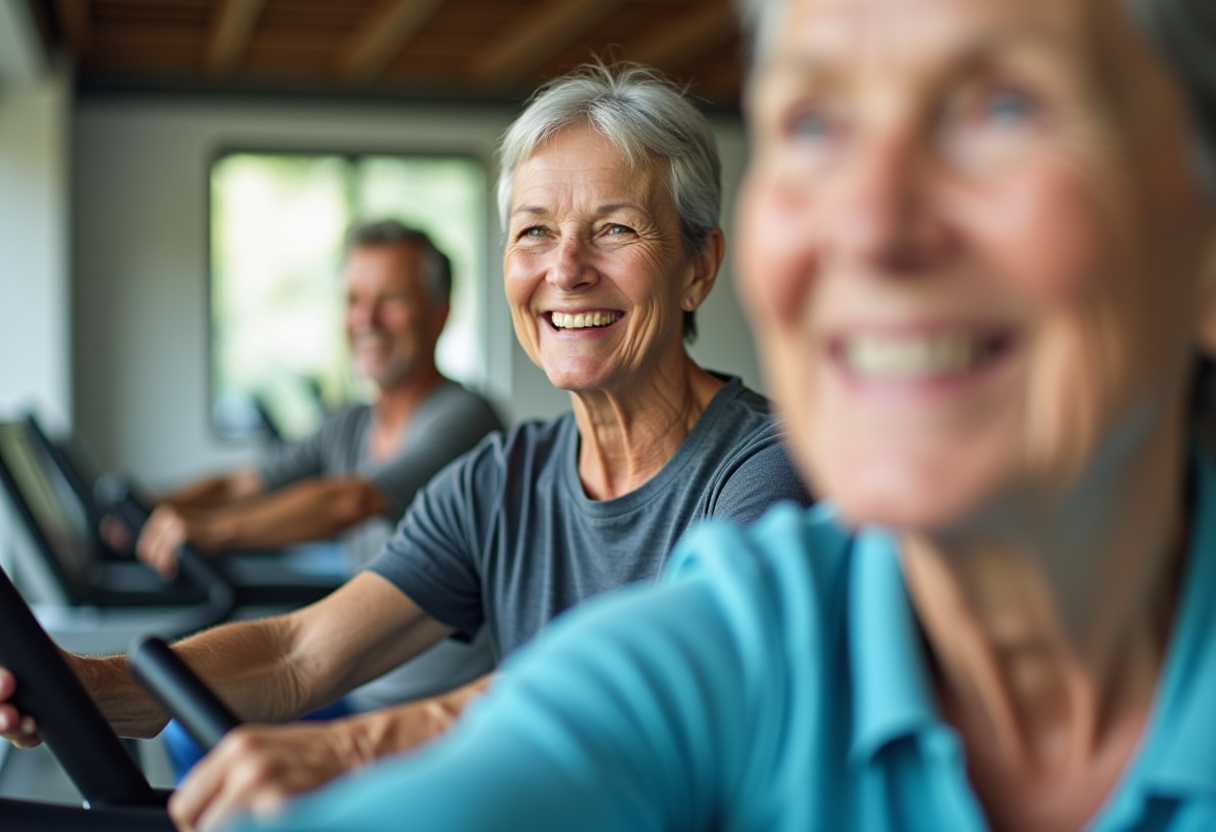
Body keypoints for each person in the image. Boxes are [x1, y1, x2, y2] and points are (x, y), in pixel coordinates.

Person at [153, 0, 1216, 829]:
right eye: (815, 123)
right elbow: (559, 707)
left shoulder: (765, 496)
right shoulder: (769, 613)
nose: (869, 222)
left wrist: (351, 750)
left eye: (1005, 109)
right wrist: (92, 686)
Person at [0, 61, 810, 830]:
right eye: (534, 232)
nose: (566, 269)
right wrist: (88, 685)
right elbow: (297, 653)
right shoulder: (500, 481)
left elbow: (662, 680)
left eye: (615, 229)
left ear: (698, 267)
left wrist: (353, 751)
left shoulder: (771, 466)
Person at [130, 220, 505, 778]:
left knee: (205, 737)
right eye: (354, 300)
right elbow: (241, 484)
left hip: (434, 714)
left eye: (391, 300)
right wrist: (153, 508)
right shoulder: (350, 425)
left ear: (439, 312)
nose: (367, 319)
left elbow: (352, 500)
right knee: (188, 722)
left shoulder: (465, 418)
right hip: (360, 686)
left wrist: (214, 531)